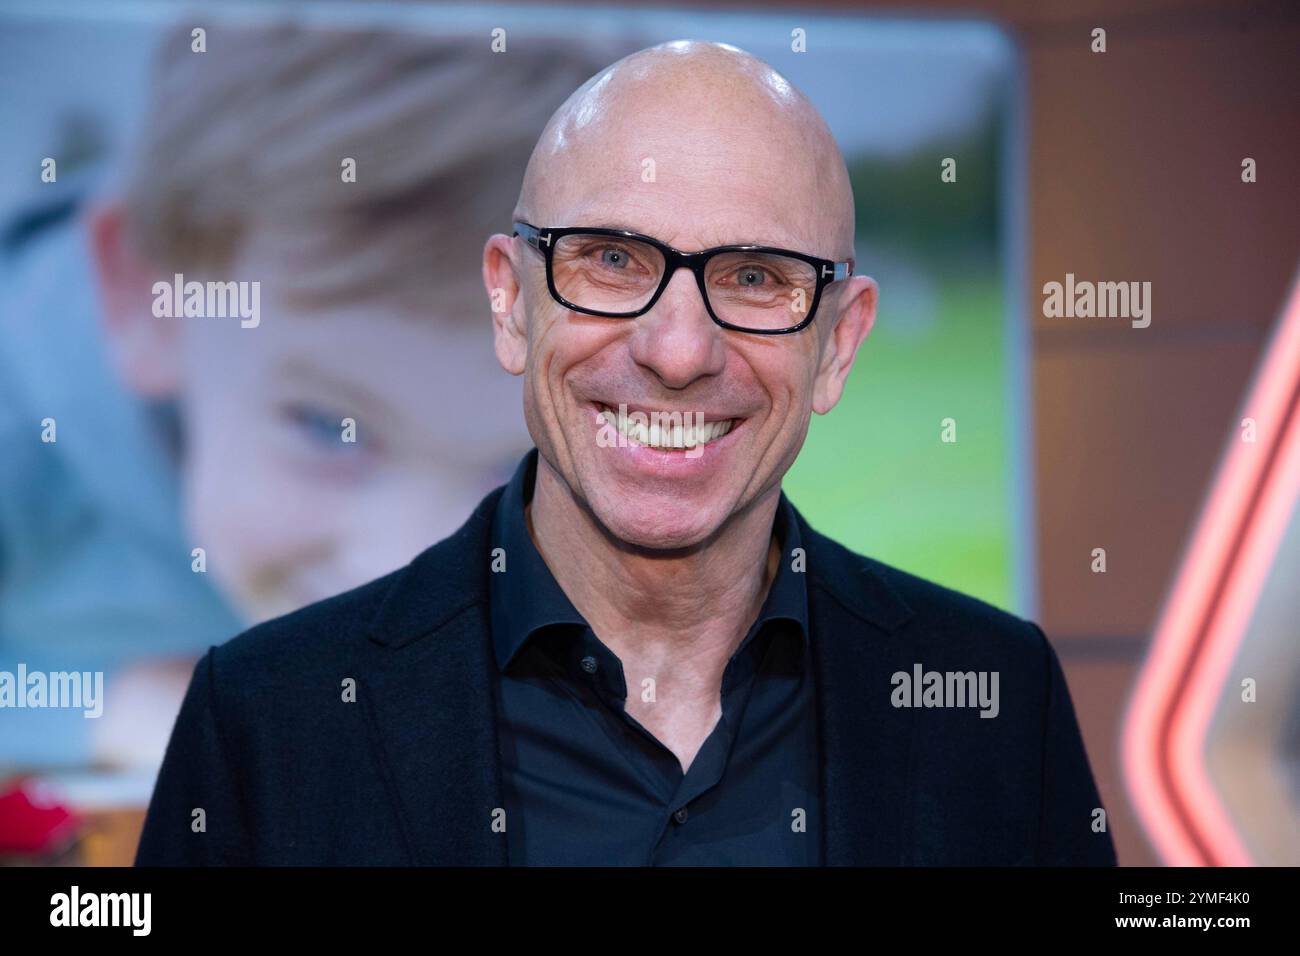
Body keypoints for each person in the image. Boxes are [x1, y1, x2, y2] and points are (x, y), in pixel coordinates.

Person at [136, 39, 1116, 866]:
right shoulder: (265, 718)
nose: (679, 350)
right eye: (612, 260)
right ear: (511, 301)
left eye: (753, 274)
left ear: (838, 343)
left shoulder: (994, 698)